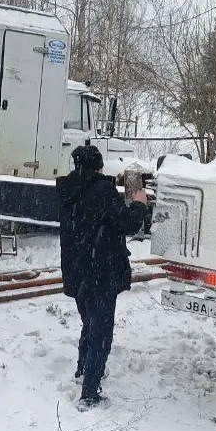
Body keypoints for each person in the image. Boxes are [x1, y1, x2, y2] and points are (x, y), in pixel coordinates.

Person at [56, 144, 148, 411]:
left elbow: (93, 215)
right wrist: (139, 204)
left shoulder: (66, 189)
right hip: (101, 272)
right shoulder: (102, 191)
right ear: (98, 167)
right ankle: (90, 394)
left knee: (89, 323)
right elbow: (127, 222)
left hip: (77, 271)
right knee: (101, 332)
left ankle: (83, 370)